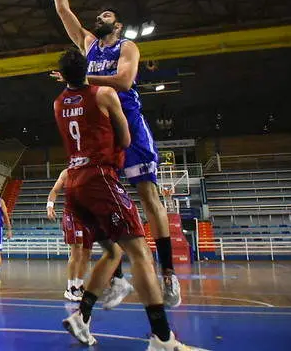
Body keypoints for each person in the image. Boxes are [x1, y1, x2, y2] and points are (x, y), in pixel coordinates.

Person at [37, 0, 181, 308]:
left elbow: (124, 81)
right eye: (98, 16)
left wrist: (84, 80)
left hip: (130, 123)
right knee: (102, 204)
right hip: (103, 133)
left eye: (105, 15)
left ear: (117, 25)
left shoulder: (126, 47)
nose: (98, 18)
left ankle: (168, 273)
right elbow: (63, 12)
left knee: (148, 197)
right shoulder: (88, 45)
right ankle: (116, 279)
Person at [52, 49, 197, 350]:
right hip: (99, 178)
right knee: (141, 252)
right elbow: (127, 138)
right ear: (89, 70)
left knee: (113, 253)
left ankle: (82, 316)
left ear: (62, 76)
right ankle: (162, 338)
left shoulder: (57, 103)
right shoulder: (104, 93)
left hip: (74, 185)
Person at [47, 168, 93, 302]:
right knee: (77, 249)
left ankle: (78, 285)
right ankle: (69, 288)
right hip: (72, 215)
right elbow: (55, 190)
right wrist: (50, 206)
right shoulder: (67, 173)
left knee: (87, 252)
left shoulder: (92, 172)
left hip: (88, 216)